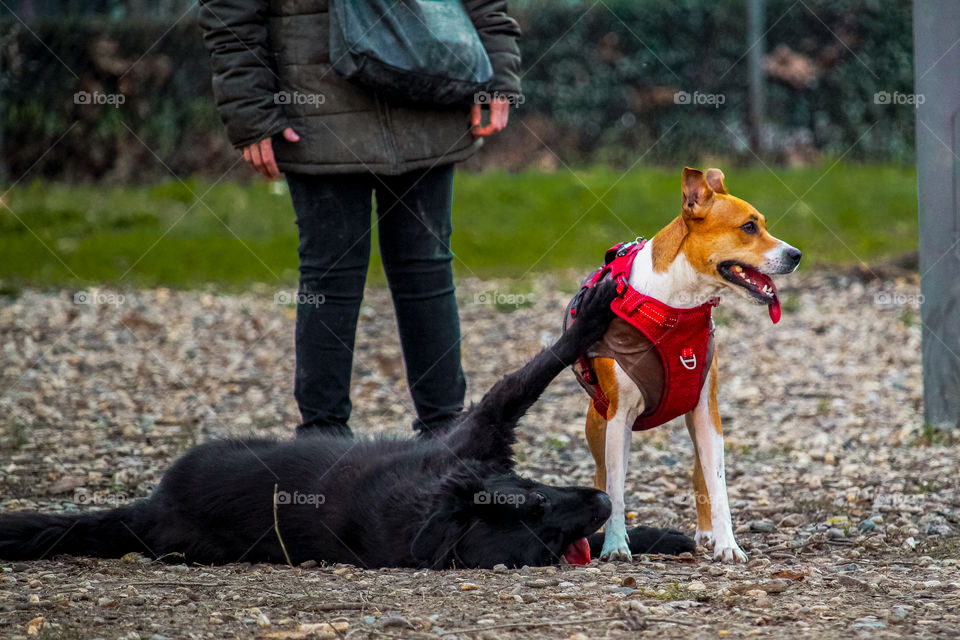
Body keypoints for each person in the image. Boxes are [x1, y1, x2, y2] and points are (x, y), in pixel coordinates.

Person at [198, 1, 521, 437]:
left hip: (424, 93)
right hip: (319, 109)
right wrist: (251, 109)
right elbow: (230, 10)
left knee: (425, 270)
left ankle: (447, 443)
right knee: (331, 278)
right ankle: (323, 445)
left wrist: (497, 75)